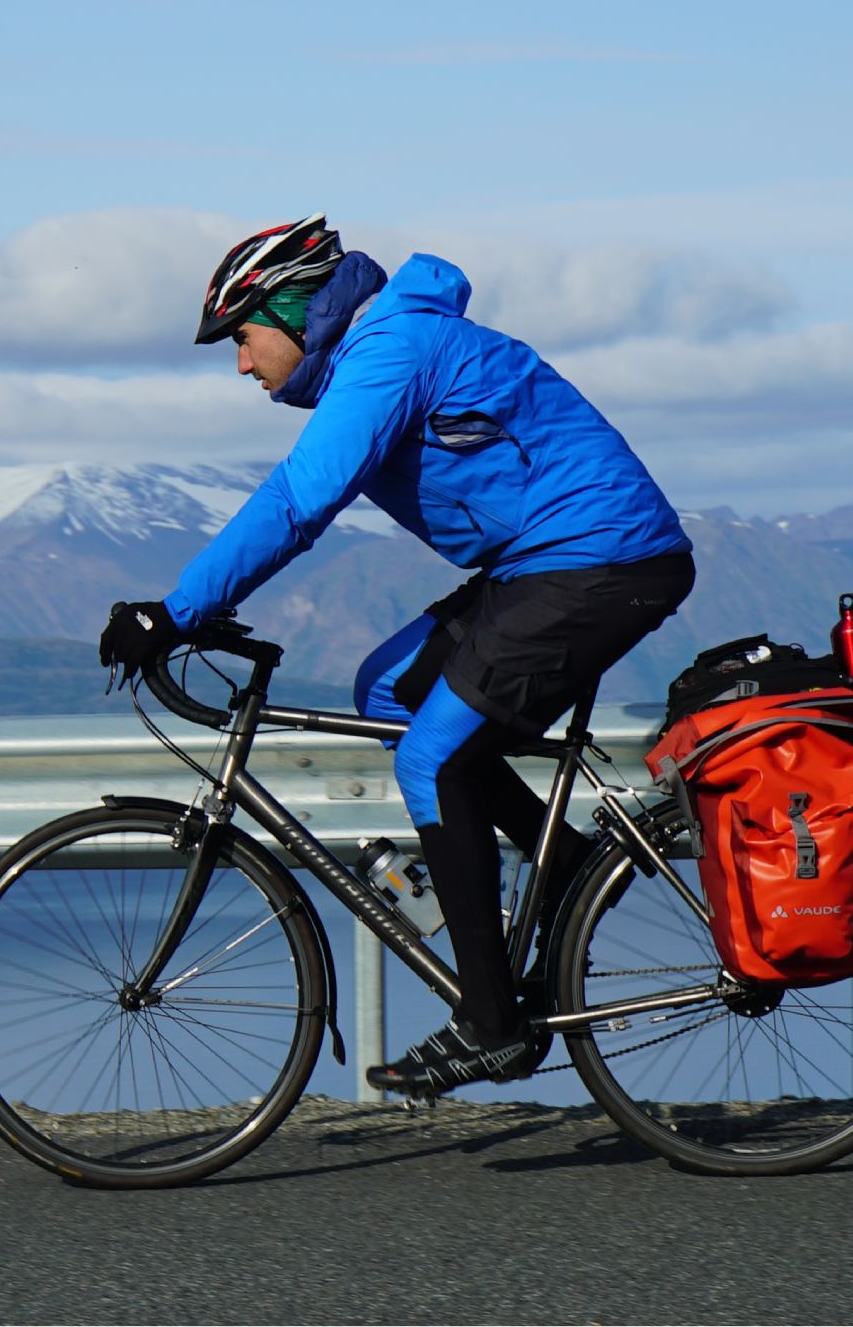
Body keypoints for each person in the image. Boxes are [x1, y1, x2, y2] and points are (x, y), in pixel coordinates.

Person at [98, 215, 696, 1097]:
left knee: (433, 757)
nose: (240, 363)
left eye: (243, 337)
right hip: (542, 563)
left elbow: (300, 499)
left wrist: (177, 612)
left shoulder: (391, 350)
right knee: (386, 691)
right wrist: (195, 610)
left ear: (295, 311)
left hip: (601, 562)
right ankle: (565, 870)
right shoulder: (377, 350)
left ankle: (492, 1025)